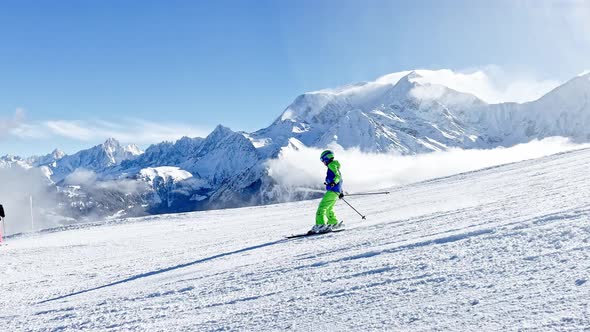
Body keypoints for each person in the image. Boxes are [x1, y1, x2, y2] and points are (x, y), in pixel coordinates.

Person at [311, 150, 344, 233]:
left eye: (323, 160)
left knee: (322, 207)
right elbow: (340, 179)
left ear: (327, 158)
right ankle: (333, 222)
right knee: (329, 208)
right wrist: (340, 191)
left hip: (332, 191)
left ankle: (320, 225)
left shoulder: (332, 165)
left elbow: (337, 177)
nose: (323, 162)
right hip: (336, 191)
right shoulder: (335, 166)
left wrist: (333, 182)